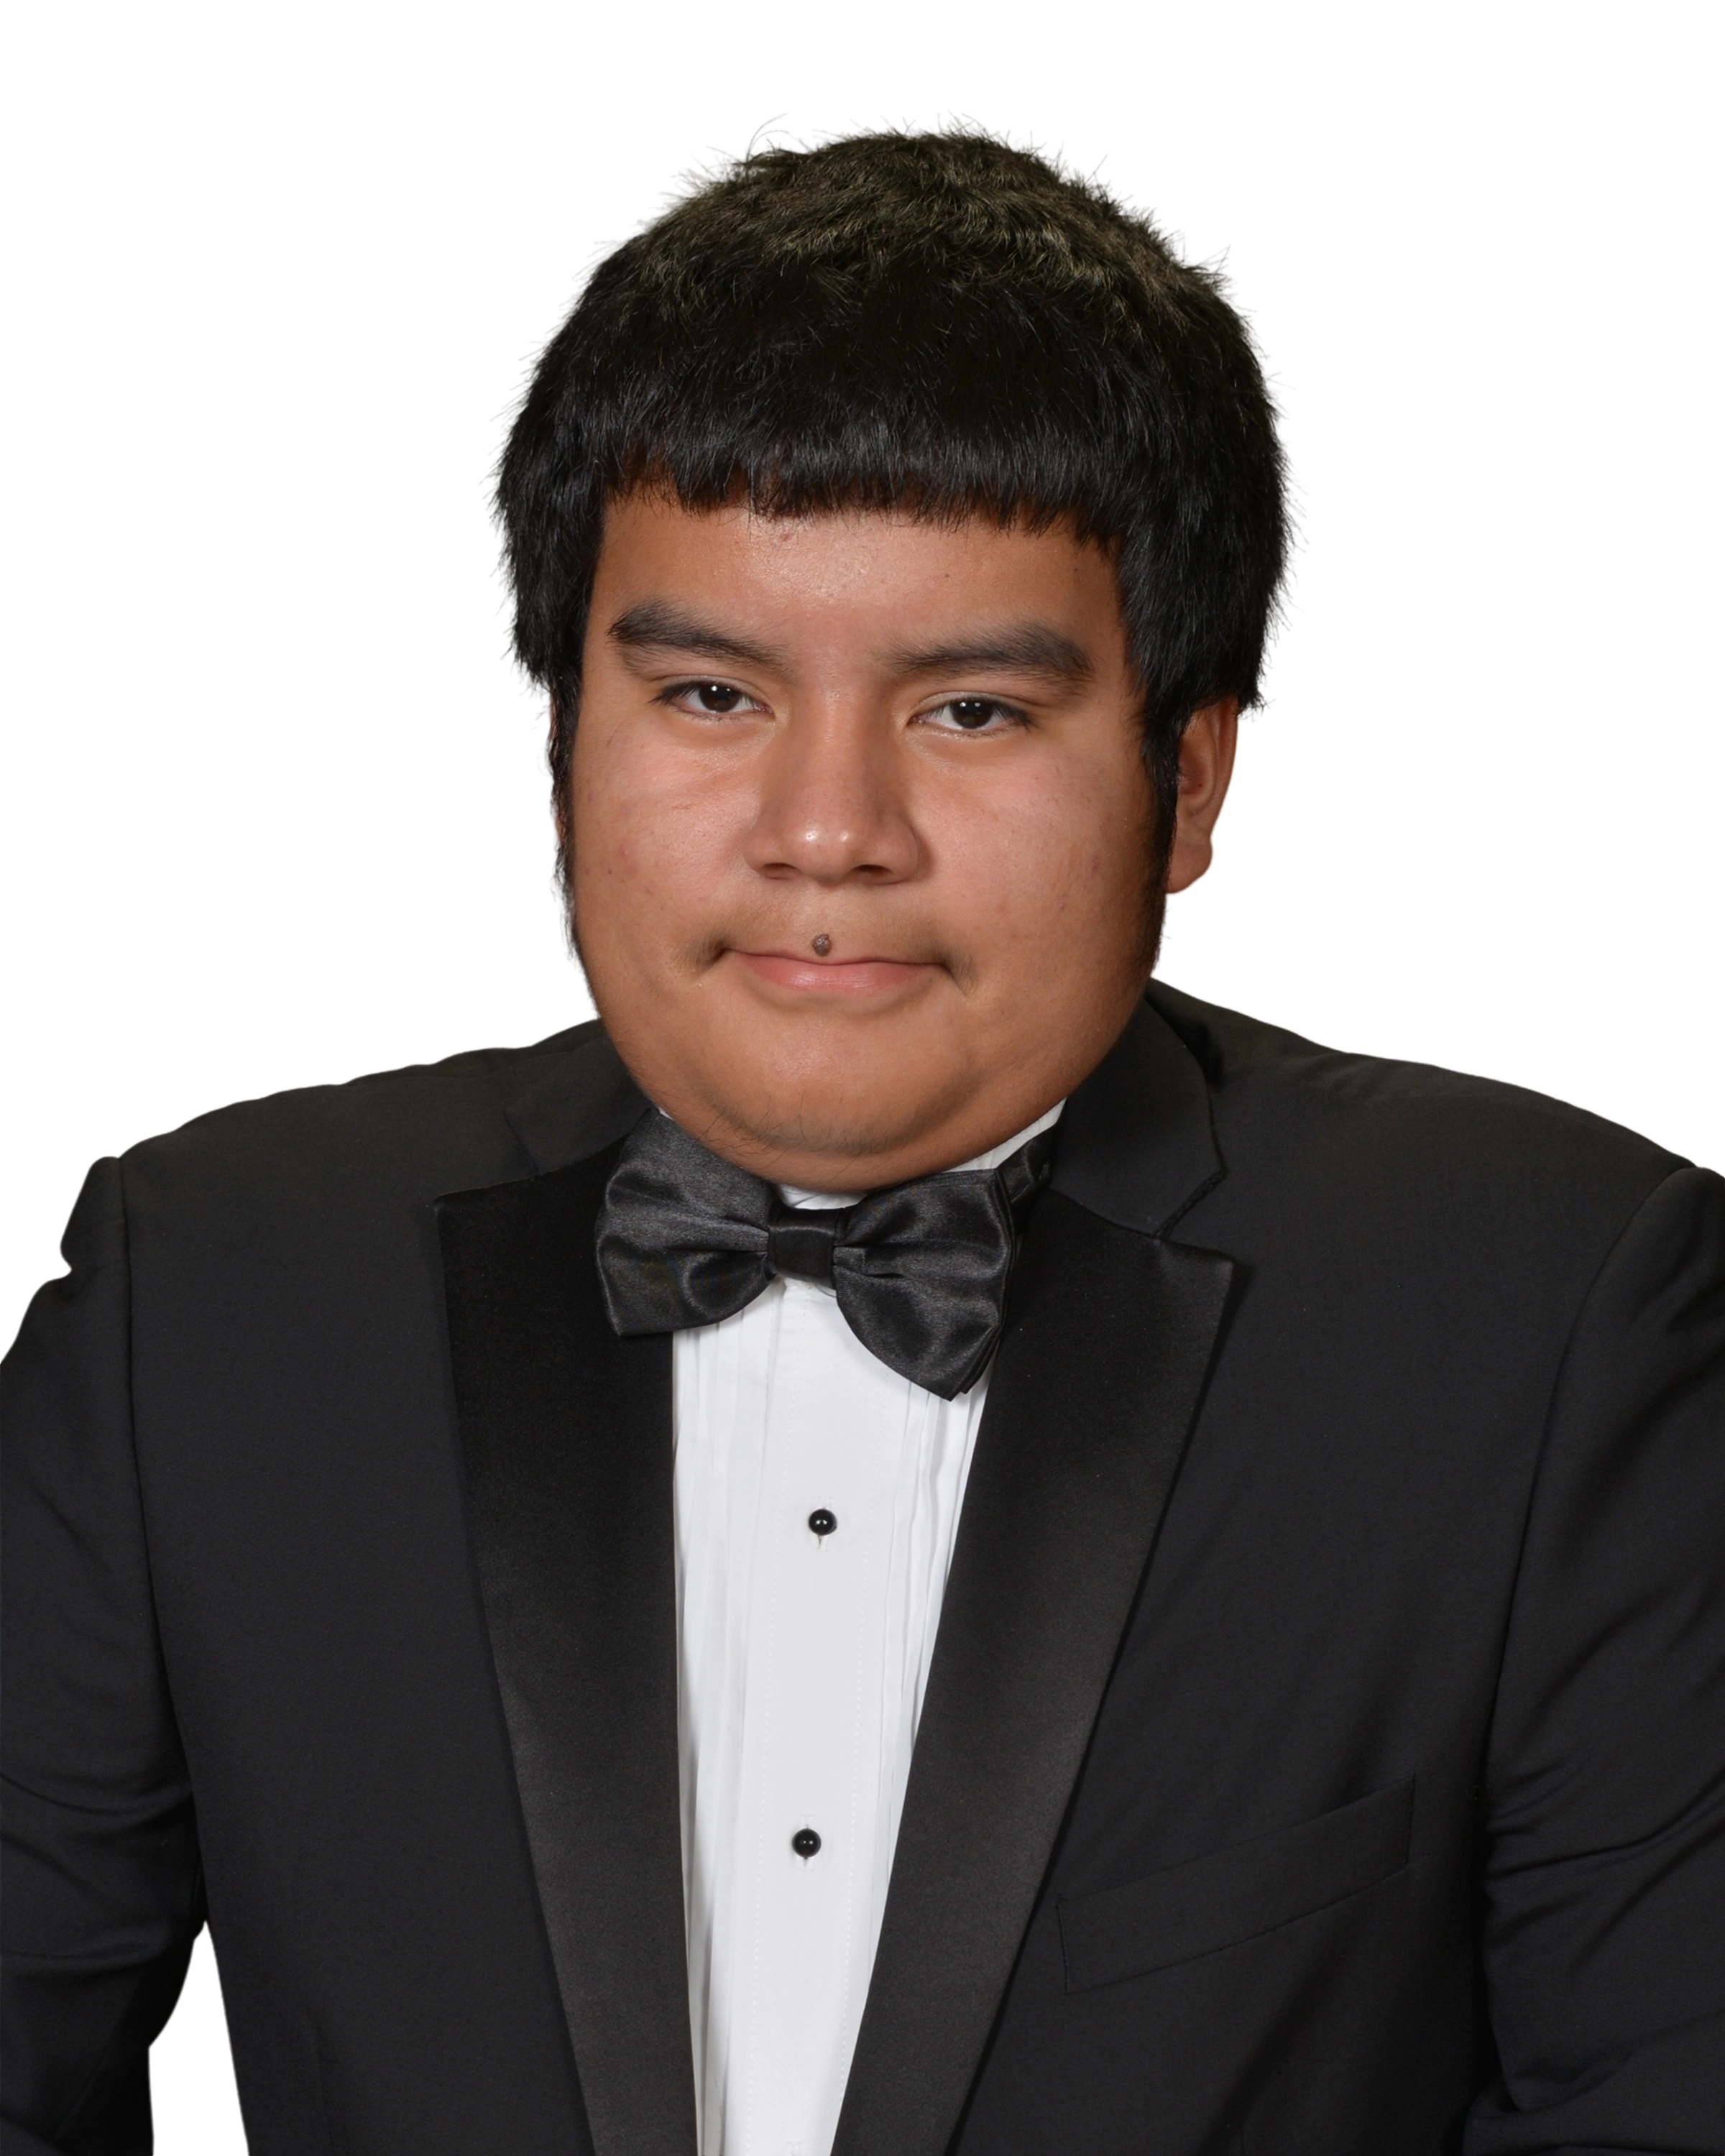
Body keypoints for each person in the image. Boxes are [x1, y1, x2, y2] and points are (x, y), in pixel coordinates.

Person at [3, 109, 1721, 2156]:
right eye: (711, 697)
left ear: (1186, 785)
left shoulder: (1551, 1307)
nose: (828, 833)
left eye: (971, 710)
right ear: (558, 745)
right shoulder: (208, 1285)